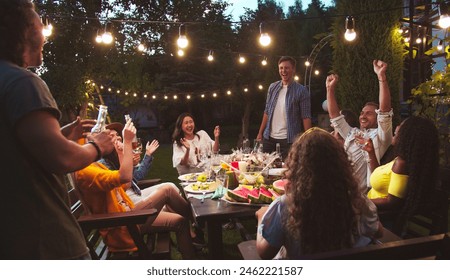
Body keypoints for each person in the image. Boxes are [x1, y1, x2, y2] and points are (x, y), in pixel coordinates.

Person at [0, 0, 115, 259]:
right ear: (27, 28)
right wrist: (98, 146)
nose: (44, 29)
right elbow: (62, 158)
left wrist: (62, 135)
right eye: (39, 20)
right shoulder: (22, 82)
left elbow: (19, 151)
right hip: (46, 241)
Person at [75, 120, 196, 259]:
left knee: (179, 221)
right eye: (97, 139)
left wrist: (121, 153)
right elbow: (126, 177)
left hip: (128, 216)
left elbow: (125, 185)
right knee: (168, 189)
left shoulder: (92, 168)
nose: (107, 139)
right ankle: (197, 219)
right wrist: (127, 142)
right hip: (124, 225)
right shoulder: (86, 172)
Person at [255, 128, 383, 259]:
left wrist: (261, 218)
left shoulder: (285, 206)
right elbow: (378, 232)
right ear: (340, 163)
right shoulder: (357, 201)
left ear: (297, 166)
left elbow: (264, 253)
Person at [326, 60, 393, 193]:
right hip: (341, 188)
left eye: (369, 114)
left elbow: (385, 112)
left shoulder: (381, 136)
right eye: (362, 113)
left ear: (377, 117)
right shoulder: (352, 133)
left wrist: (382, 79)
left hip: (360, 195)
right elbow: (335, 117)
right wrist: (330, 89)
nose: (363, 116)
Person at [364, 116, 439, 233]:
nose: (397, 127)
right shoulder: (399, 159)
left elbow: (392, 202)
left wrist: (360, 202)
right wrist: (371, 152)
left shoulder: (401, 164)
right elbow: (379, 177)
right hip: (371, 213)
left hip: (379, 220)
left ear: (409, 135)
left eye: (402, 126)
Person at [98, 122, 180, 206]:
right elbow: (123, 187)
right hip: (126, 200)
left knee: (172, 187)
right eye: (112, 136)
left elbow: (138, 176)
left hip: (136, 192)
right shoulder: (102, 163)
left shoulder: (117, 157)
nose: (118, 137)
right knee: (169, 194)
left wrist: (147, 155)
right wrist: (126, 159)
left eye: (117, 134)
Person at [256, 56, 312, 159]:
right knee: (265, 168)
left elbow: (306, 116)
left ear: (293, 69)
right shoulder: (273, 87)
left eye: (287, 68)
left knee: (287, 170)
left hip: (289, 140)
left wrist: (308, 139)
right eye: (281, 68)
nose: (283, 71)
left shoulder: (302, 91)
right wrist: (260, 133)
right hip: (268, 138)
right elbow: (267, 111)